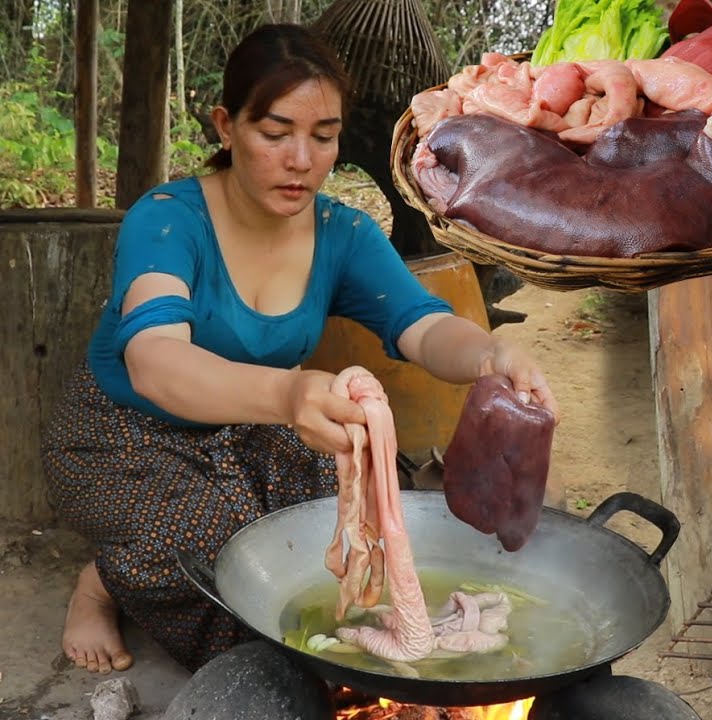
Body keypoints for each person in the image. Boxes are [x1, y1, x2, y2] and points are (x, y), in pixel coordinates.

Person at [41, 24, 558, 675]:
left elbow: (423, 326)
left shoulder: (343, 234)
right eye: (276, 132)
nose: (302, 159)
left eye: (324, 136)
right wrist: (289, 393)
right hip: (126, 432)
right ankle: (101, 582)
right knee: (215, 550)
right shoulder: (168, 220)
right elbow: (154, 362)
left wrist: (490, 358)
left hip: (256, 424)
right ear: (226, 126)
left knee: (348, 522)